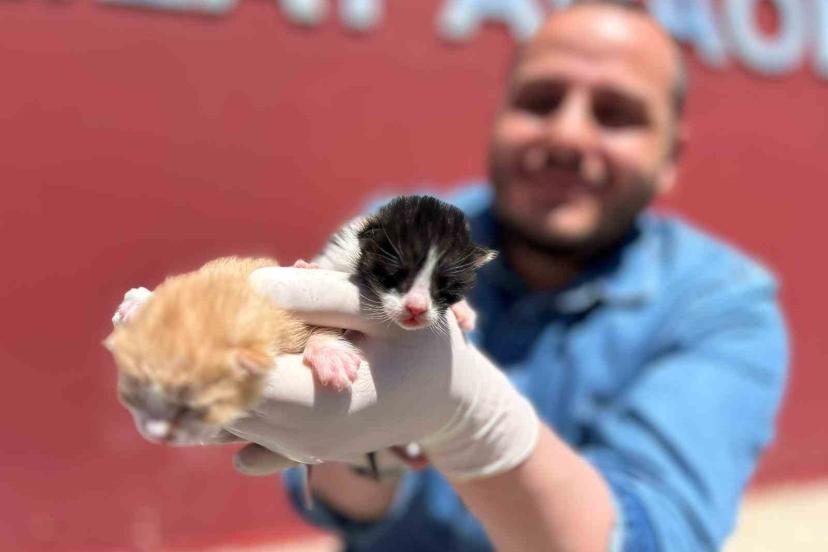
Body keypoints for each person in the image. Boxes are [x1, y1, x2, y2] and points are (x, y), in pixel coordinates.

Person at [121, 1, 788, 550]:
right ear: (498, 113)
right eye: (541, 100)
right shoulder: (393, 223)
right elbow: (334, 496)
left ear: (671, 157)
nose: (568, 135)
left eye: (616, 114)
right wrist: (358, 445)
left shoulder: (723, 304)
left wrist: (473, 422)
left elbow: (657, 536)